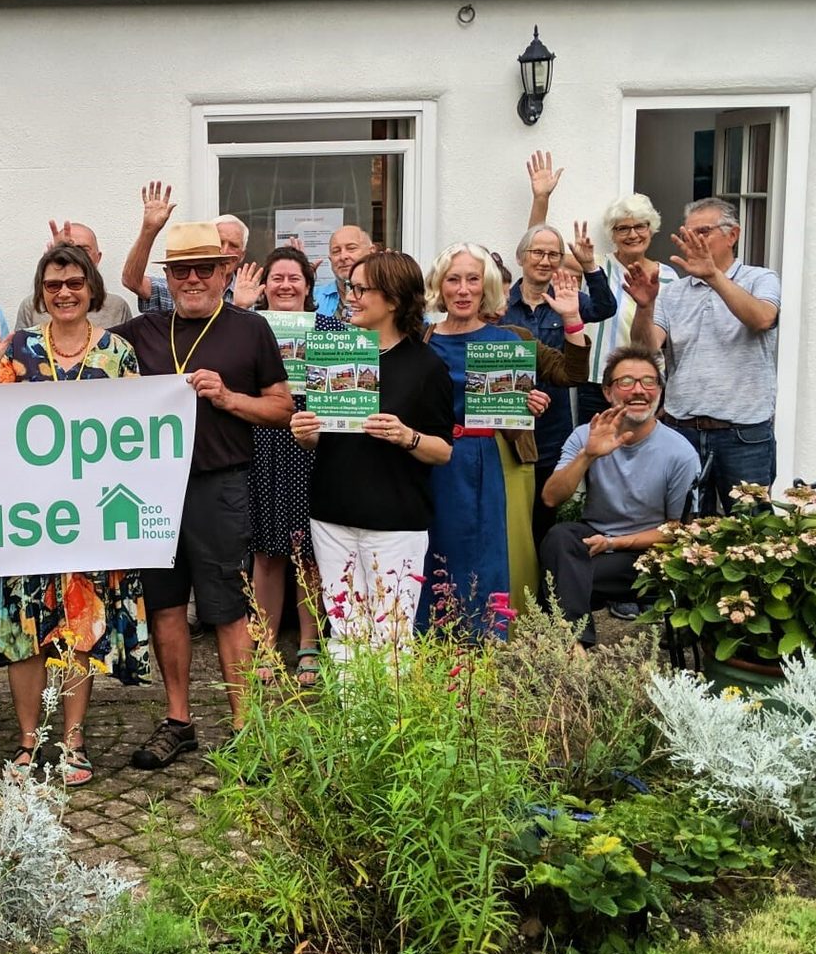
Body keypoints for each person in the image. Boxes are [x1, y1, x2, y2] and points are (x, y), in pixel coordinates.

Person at [112, 220, 293, 769]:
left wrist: (231, 399)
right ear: (167, 276)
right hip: (151, 490)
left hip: (221, 483)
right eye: (180, 269)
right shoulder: (140, 332)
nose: (192, 279)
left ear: (224, 272)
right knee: (166, 606)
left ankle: (243, 725)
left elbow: (282, 408)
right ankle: (178, 720)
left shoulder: (250, 329)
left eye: (203, 269)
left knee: (227, 609)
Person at [0, 242, 150, 783]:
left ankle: (73, 740)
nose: (65, 293)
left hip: (89, 517)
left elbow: (136, 433)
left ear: (91, 289)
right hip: (25, 515)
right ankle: (29, 742)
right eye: (53, 285)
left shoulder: (118, 353)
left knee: (79, 626)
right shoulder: (19, 349)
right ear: (40, 293)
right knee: (27, 631)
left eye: (74, 283)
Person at [291, 250, 452, 659]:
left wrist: (406, 436)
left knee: (391, 635)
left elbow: (443, 450)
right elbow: (322, 439)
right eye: (349, 287)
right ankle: (350, 722)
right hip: (332, 512)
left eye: (362, 289)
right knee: (344, 628)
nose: (351, 296)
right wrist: (305, 433)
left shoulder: (426, 366)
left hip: (395, 521)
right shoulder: (336, 355)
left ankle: (387, 723)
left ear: (394, 300)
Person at [422, 243, 588, 631]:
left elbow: (572, 374)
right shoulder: (422, 341)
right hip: (436, 458)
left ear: (487, 286)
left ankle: (491, 631)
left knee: (494, 548)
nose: (463, 289)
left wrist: (572, 319)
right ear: (440, 286)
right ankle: (437, 628)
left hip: (498, 456)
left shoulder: (511, 340)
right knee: (438, 544)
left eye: (473, 280)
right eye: (453, 279)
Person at [622, 197, 781, 514]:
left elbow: (762, 318)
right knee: (685, 533)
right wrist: (644, 307)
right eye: (687, 233)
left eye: (703, 232)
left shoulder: (760, 279)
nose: (692, 241)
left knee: (751, 534)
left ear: (732, 235)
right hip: (683, 430)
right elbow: (645, 349)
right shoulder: (674, 292)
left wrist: (714, 277)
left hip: (744, 435)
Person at [540, 346, 700, 645]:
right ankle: (576, 647)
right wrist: (587, 455)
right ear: (607, 391)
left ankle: (572, 646)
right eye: (626, 382)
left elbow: (679, 531)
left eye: (649, 382)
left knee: (562, 574)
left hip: (646, 554)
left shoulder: (680, 453)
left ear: (660, 391)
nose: (639, 391)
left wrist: (615, 543)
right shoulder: (587, 434)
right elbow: (551, 497)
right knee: (560, 537)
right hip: (594, 539)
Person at [242, 246, 336, 688]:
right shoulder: (248, 328)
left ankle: (309, 644)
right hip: (261, 439)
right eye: (276, 278)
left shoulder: (330, 329)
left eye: (293, 278)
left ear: (308, 286)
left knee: (308, 549)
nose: (284, 285)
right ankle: (264, 641)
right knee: (265, 547)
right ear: (264, 287)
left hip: (312, 441)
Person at [500, 219, 616, 554]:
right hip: (509, 426)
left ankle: (539, 585)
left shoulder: (566, 299)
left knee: (543, 510)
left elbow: (606, 307)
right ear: (522, 257)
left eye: (554, 254)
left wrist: (590, 265)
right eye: (538, 252)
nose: (546, 260)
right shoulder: (500, 305)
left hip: (553, 426)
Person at [578, 194, 676, 426]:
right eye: (622, 228)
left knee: (642, 452)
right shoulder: (595, 265)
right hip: (598, 382)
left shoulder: (669, 277)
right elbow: (538, 251)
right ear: (612, 234)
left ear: (651, 229)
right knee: (597, 452)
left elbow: (665, 340)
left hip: (646, 385)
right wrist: (541, 197)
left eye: (640, 226)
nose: (632, 234)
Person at [122, 183, 251, 313]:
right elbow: (132, 281)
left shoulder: (252, 294)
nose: (224, 251)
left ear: (242, 255)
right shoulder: (179, 283)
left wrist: (241, 307)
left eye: (233, 246)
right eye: (219, 242)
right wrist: (149, 230)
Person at [12, 221, 134, 330]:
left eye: (83, 250)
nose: (73, 256)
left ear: (98, 257)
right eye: (66, 249)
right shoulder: (30, 307)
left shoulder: (117, 307)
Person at [314, 224, 374, 320]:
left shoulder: (385, 296)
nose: (343, 256)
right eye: (336, 251)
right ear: (330, 259)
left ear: (371, 252)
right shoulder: (313, 298)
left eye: (351, 248)